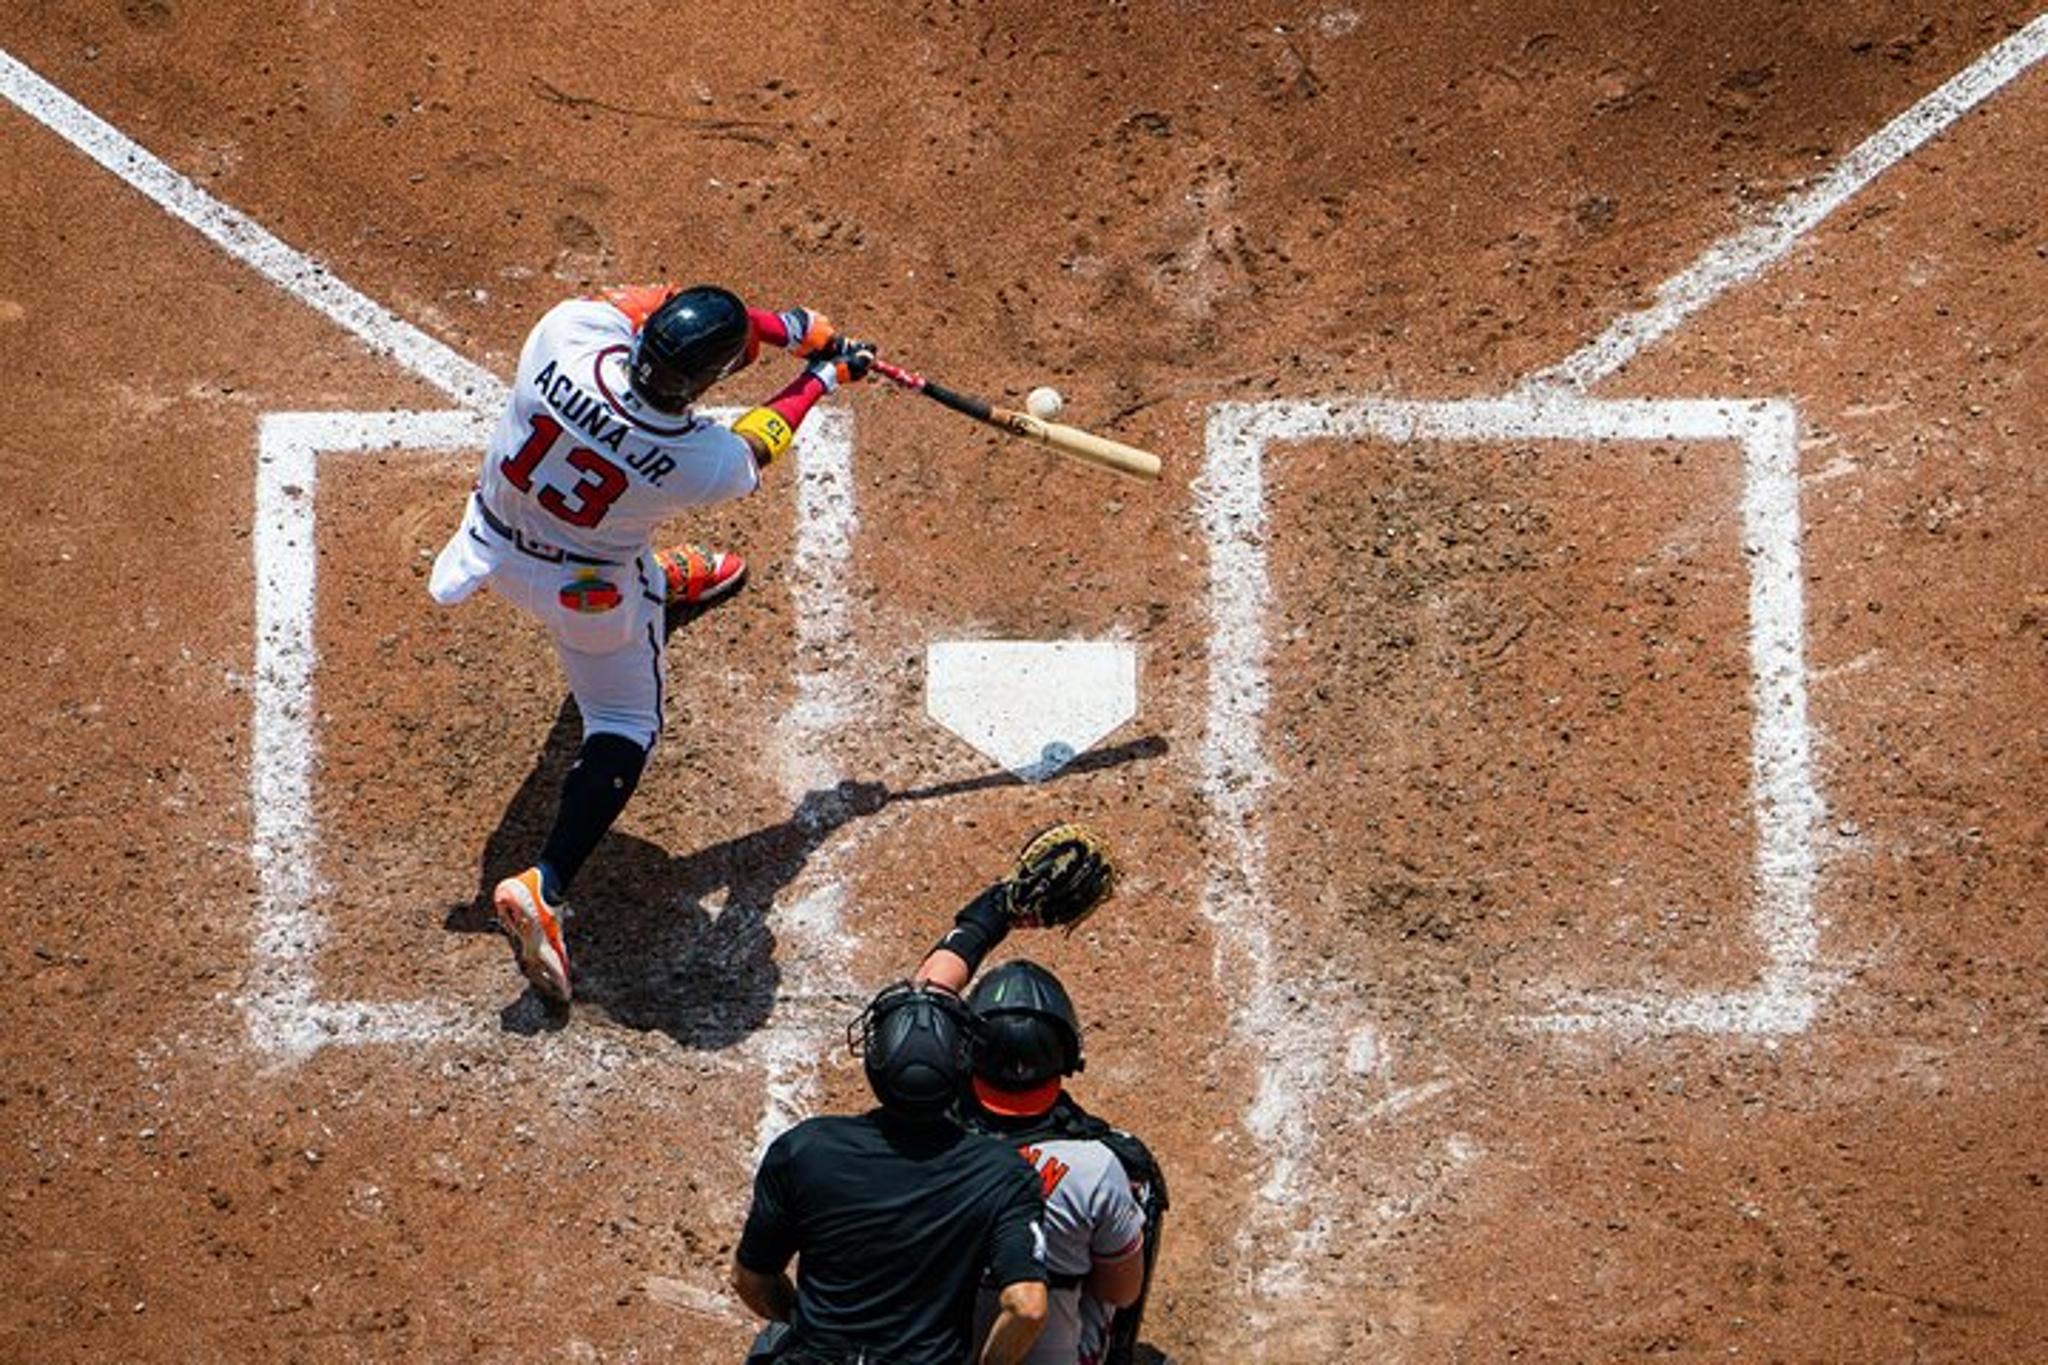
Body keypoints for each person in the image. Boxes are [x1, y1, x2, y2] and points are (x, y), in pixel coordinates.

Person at [428, 282, 872, 1004]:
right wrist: (823, 373)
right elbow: (759, 443)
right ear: (709, 380)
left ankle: (662, 581)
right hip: (587, 596)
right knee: (624, 723)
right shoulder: (701, 462)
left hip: (485, 549)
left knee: (620, 560)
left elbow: (652, 300)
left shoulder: (562, 334)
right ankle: (545, 882)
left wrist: (787, 325)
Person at [911, 841, 1167, 1365]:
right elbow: (1120, 1293)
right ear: (1067, 1054)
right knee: (1138, 1198)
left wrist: (998, 909)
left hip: (921, 1345)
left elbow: (927, 993)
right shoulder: (1097, 1166)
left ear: (965, 1052)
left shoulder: (913, 1125)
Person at [732, 983, 1049, 1364]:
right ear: (961, 1067)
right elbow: (1027, 1307)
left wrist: (806, 1326)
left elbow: (751, 1279)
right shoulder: (1003, 1172)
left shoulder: (804, 1149)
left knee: (770, 1345)